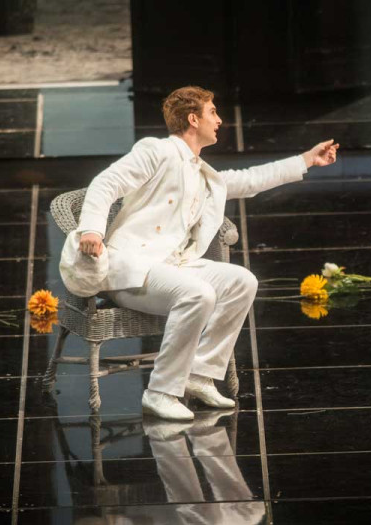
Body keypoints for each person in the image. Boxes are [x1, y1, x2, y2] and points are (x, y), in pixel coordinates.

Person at [75, 85, 338, 420]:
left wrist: (306, 160)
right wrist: (92, 230)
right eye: (213, 112)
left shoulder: (202, 172)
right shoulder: (156, 151)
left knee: (241, 280)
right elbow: (105, 183)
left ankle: (199, 374)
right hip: (133, 270)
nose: (220, 120)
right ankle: (160, 391)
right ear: (192, 118)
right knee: (198, 293)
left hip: (175, 267)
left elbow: (251, 179)